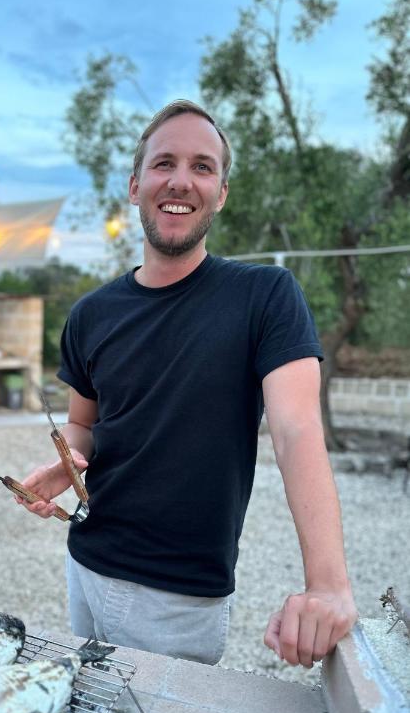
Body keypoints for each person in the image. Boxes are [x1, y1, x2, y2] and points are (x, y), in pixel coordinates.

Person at [18, 99, 358, 669]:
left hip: (179, 595)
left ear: (221, 193)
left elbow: (297, 430)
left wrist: (327, 585)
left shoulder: (265, 297)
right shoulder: (90, 314)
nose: (181, 180)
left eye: (203, 166)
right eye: (164, 163)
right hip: (85, 561)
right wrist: (67, 461)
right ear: (134, 185)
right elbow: (85, 424)